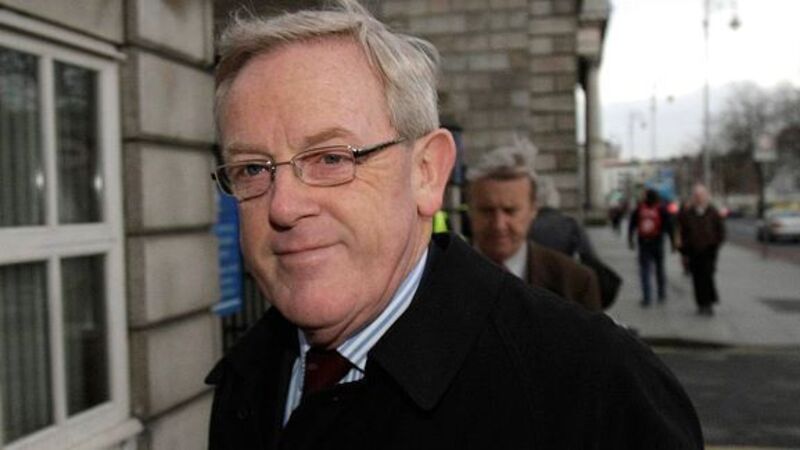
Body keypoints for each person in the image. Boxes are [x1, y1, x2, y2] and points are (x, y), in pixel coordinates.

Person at [206, 2, 703, 448]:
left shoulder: (594, 391)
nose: (283, 206)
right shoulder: (247, 378)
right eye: (252, 169)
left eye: (332, 158)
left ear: (427, 172)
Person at [467, 142, 601, 312]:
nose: (499, 225)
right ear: (470, 210)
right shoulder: (441, 277)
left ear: (533, 209)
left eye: (510, 211)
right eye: (487, 211)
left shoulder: (576, 283)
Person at [677, 183, 725, 315]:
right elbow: (682, 229)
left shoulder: (713, 212)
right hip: (693, 251)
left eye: (701, 195)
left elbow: (720, 230)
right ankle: (700, 304)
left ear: (706, 196)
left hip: (709, 250)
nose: (699, 198)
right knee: (697, 278)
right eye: (696, 196)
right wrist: (684, 248)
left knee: (708, 277)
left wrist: (716, 243)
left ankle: (709, 303)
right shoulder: (688, 213)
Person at [628, 188, 675, 306]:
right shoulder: (662, 209)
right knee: (659, 269)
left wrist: (630, 240)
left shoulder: (640, 209)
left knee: (645, 270)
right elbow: (670, 227)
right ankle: (661, 293)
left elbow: (632, 225)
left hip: (644, 243)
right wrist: (673, 243)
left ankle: (647, 297)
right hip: (658, 243)